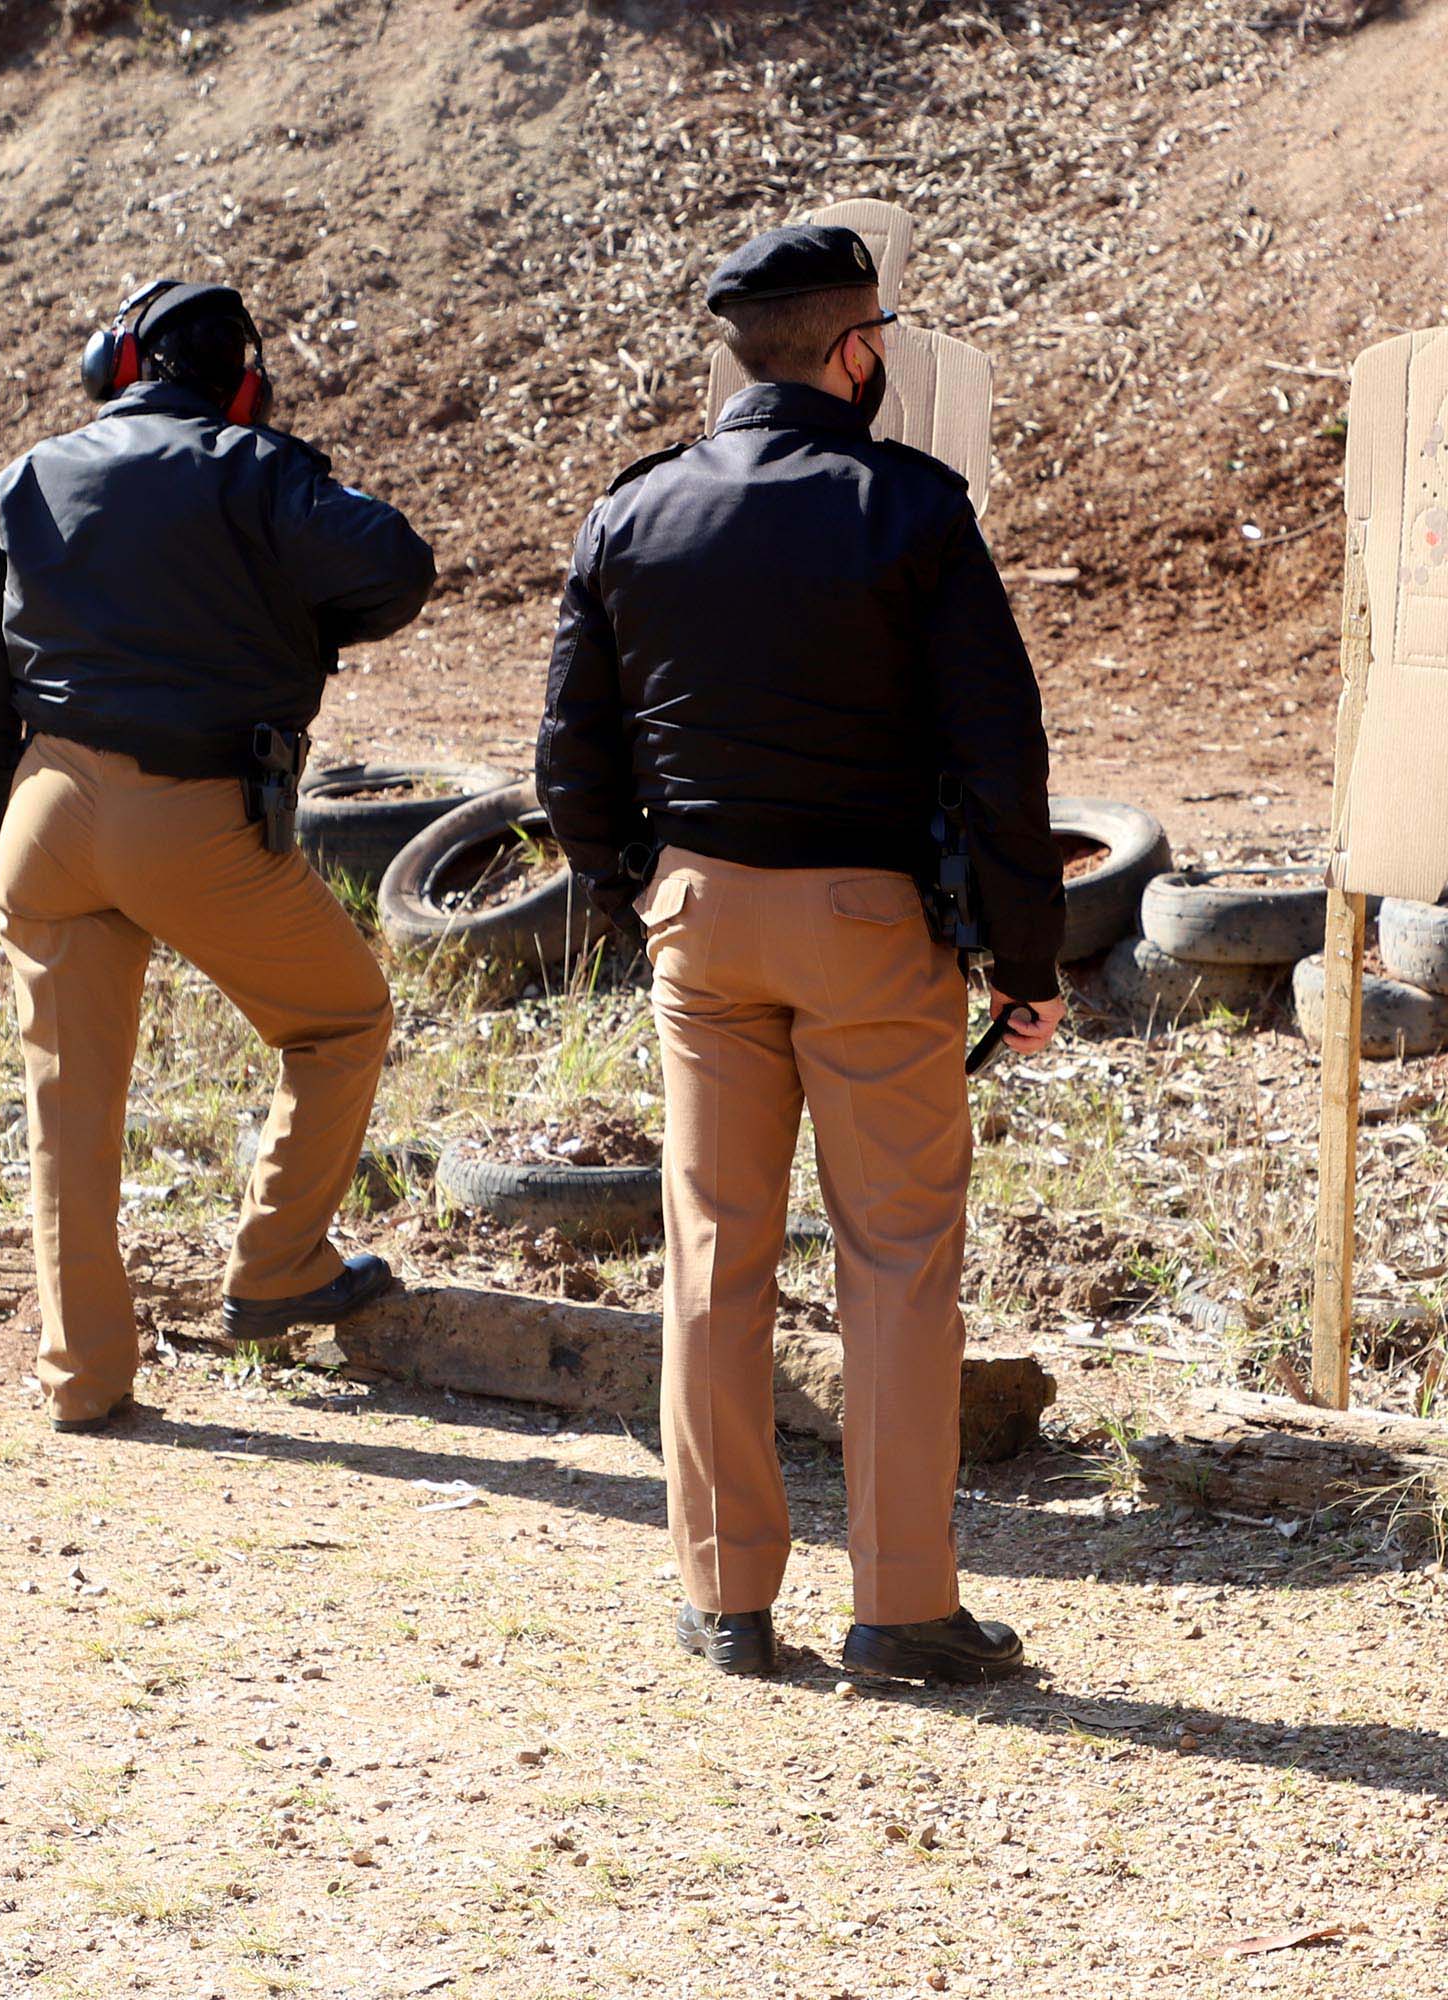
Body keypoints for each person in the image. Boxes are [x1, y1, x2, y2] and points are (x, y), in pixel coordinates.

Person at [538, 223, 1065, 1687]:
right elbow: (1000, 755)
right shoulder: (912, 508)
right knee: (896, 1261)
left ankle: (726, 1597)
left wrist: (638, 893)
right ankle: (900, 1606)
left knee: (715, 1252)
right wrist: (1026, 958)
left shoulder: (633, 509)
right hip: (868, 925)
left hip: (700, 917)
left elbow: (570, 754)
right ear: (854, 351)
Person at [0, 279, 435, 1432]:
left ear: (118, 366)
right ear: (241, 385)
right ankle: (277, 1266)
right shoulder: (258, 468)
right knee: (340, 1021)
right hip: (196, 813)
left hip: (46, 812)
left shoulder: (26, 476)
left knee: (68, 1103)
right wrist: (291, 609)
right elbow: (397, 566)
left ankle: (83, 1374)